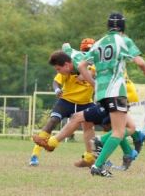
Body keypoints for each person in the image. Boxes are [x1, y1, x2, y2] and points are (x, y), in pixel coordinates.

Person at [77, 12, 145, 177]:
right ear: (123, 27)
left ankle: (101, 148)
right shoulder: (123, 40)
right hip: (116, 90)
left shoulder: (98, 43)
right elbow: (139, 61)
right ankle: (97, 165)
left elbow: (82, 66)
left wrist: (94, 84)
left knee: (125, 128)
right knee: (119, 131)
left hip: (101, 93)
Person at [29, 38, 97, 167]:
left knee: (97, 126)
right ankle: (34, 155)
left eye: (89, 50)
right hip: (67, 101)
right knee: (52, 121)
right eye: (85, 49)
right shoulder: (68, 65)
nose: (86, 52)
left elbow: (92, 75)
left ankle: (92, 157)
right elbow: (56, 81)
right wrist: (56, 89)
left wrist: (88, 75)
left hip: (86, 103)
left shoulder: (93, 66)